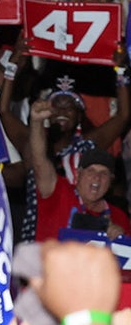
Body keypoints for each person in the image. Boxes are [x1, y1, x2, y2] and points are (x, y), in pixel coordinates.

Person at [27, 102, 127, 242]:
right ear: (78, 175)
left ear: (111, 182)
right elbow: (39, 162)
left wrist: (122, 239)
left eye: (104, 174)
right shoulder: (59, 192)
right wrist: (37, 122)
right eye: (91, 171)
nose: (97, 178)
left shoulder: (119, 217)